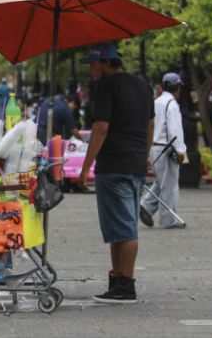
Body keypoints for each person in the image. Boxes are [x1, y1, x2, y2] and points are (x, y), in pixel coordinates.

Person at [76, 42, 155, 304]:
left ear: (107, 63)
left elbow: (101, 128)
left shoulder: (106, 88)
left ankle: (126, 285)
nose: (91, 70)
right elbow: (150, 125)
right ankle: (118, 278)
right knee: (117, 227)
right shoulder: (143, 86)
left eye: (94, 65)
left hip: (114, 165)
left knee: (125, 227)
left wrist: (86, 167)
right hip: (135, 164)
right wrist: (144, 154)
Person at [140, 72, 187, 230]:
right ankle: (168, 220)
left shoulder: (157, 102)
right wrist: (181, 151)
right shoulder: (171, 104)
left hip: (155, 146)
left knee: (162, 181)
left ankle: (146, 206)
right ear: (178, 87)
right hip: (167, 147)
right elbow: (175, 130)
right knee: (169, 185)